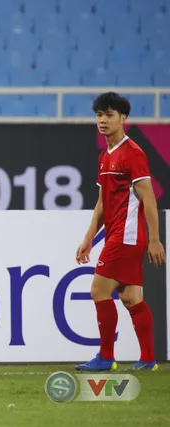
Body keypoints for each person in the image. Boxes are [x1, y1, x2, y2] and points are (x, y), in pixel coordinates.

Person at [75, 92, 165, 372]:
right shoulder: (105, 156)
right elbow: (102, 202)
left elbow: (149, 198)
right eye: (99, 115)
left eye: (109, 114)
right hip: (117, 235)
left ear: (123, 118)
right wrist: (89, 236)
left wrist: (154, 239)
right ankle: (149, 360)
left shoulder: (133, 154)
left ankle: (106, 357)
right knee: (131, 298)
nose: (102, 120)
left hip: (127, 236)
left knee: (98, 291)